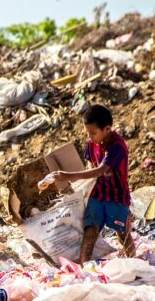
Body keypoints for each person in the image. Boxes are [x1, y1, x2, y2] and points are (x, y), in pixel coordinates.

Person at [38, 104, 135, 263]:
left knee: (123, 234)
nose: (90, 137)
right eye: (88, 133)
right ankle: (84, 269)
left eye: (93, 133)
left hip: (117, 197)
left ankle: (135, 264)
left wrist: (66, 175)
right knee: (90, 232)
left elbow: (100, 170)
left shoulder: (118, 146)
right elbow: (91, 166)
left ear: (107, 129)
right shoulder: (92, 143)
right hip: (97, 195)